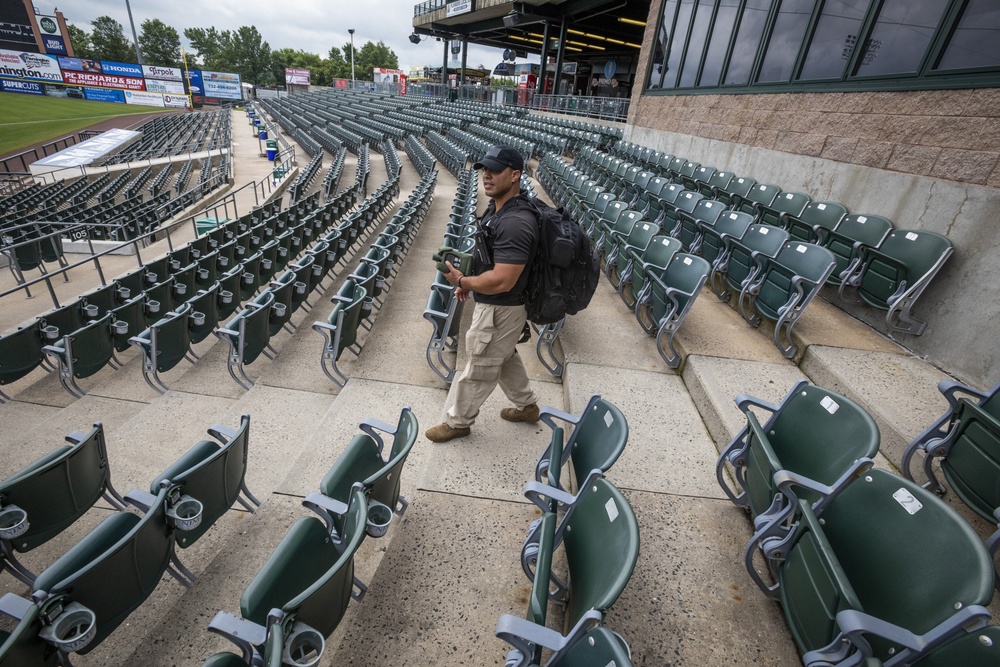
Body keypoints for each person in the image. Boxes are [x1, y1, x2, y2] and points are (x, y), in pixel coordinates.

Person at [425, 145, 540, 443]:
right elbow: (488, 256)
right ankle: (527, 406)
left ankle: (458, 422)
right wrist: (468, 282)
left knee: (479, 365)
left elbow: (502, 280)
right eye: (484, 170)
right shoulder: (498, 207)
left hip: (503, 308)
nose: (486, 176)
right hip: (498, 305)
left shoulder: (516, 223)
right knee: (502, 357)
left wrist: (464, 281)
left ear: (515, 175)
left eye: (495, 170)